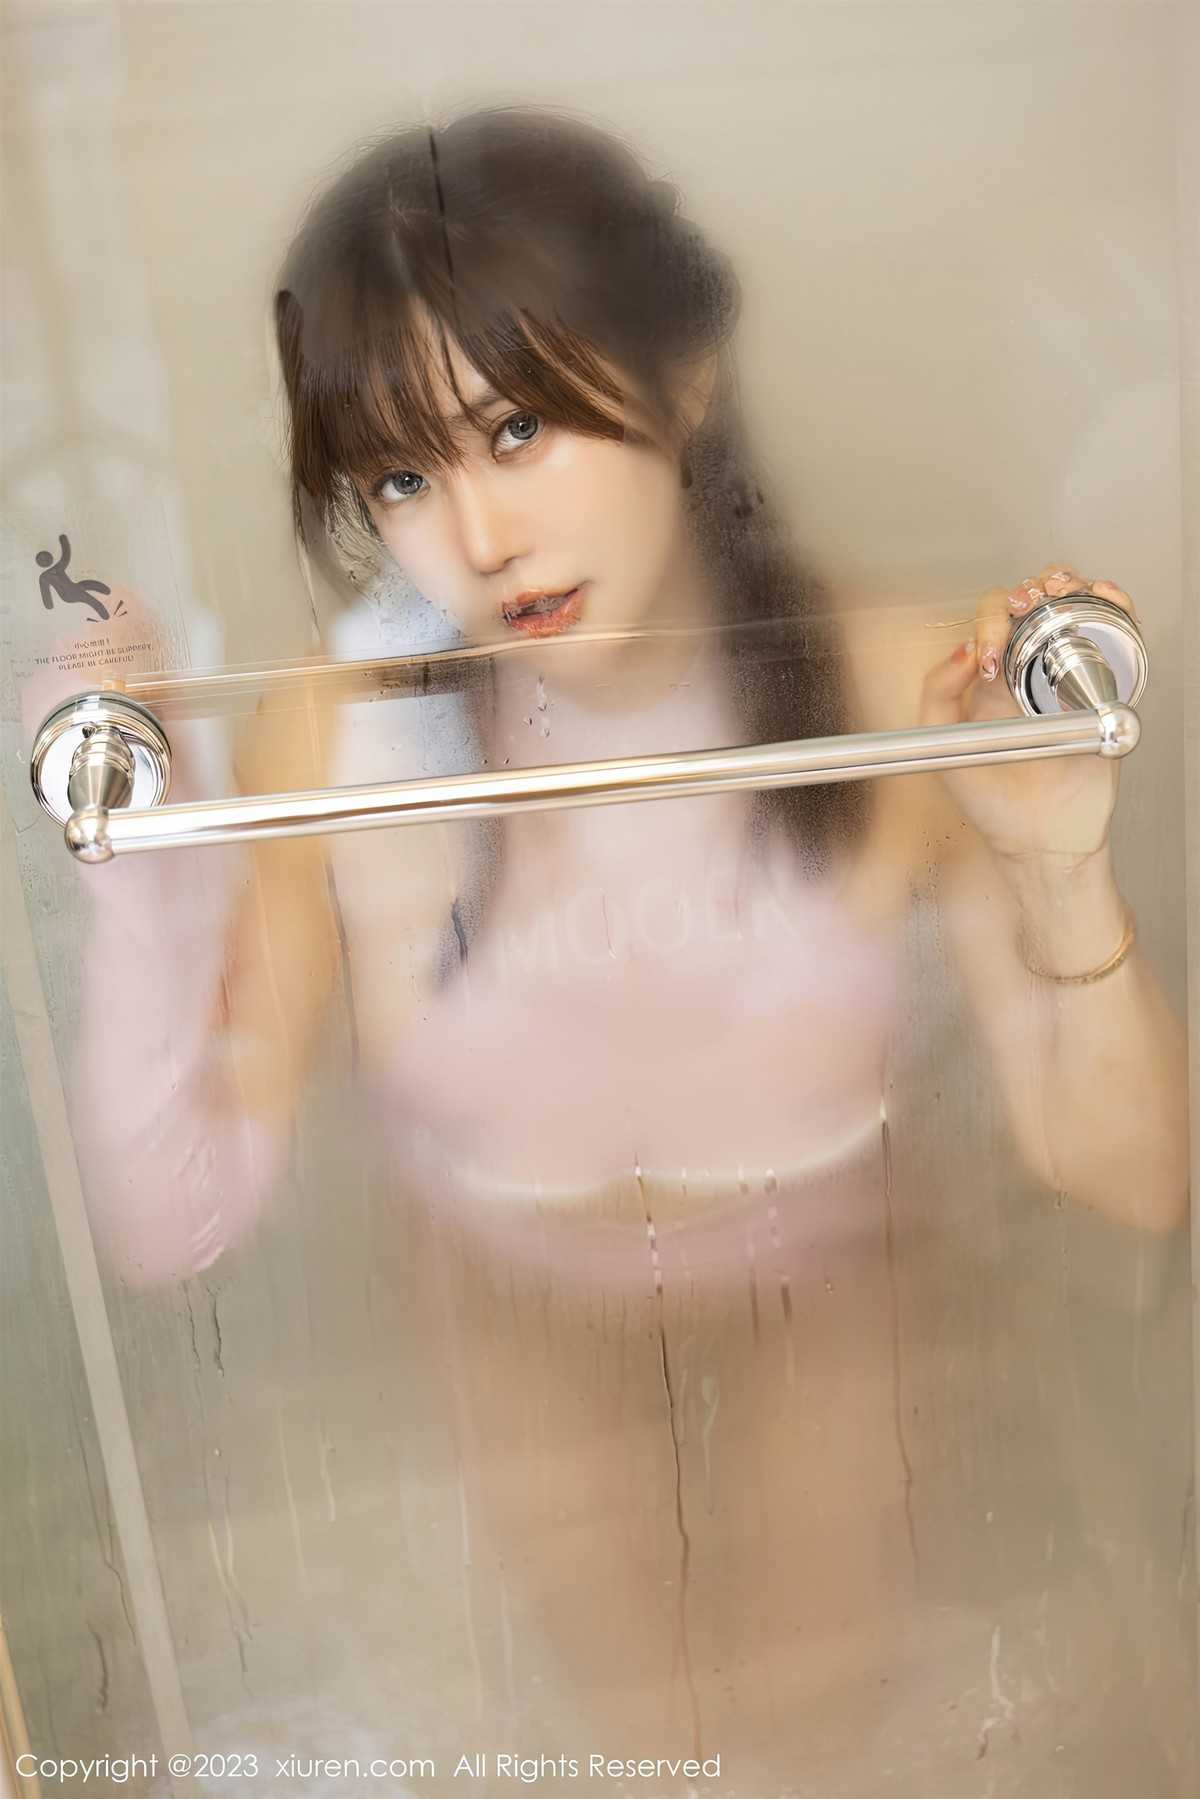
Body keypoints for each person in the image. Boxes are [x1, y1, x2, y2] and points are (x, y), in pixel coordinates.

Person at [46, 103, 1189, 1783]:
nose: (478, 540)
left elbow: (1138, 1183)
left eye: (519, 429)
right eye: (404, 475)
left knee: (812, 1725)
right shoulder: (346, 735)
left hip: (831, 1259)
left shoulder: (899, 684)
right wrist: (135, 863)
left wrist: (1057, 864)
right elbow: (175, 1226)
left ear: (686, 375)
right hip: (504, 1287)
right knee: (650, 1741)